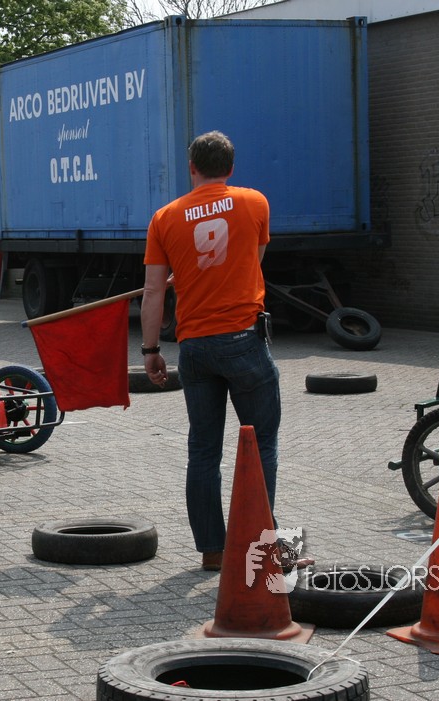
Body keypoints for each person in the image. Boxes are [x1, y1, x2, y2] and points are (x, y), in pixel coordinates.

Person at [140, 130, 300, 573]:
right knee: (261, 445)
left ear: (191, 167)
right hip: (244, 340)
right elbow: (253, 258)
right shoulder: (255, 202)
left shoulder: (164, 218)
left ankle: (212, 550)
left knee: (203, 451)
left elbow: (153, 292)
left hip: (195, 347)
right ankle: (263, 549)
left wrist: (151, 349)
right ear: (230, 167)